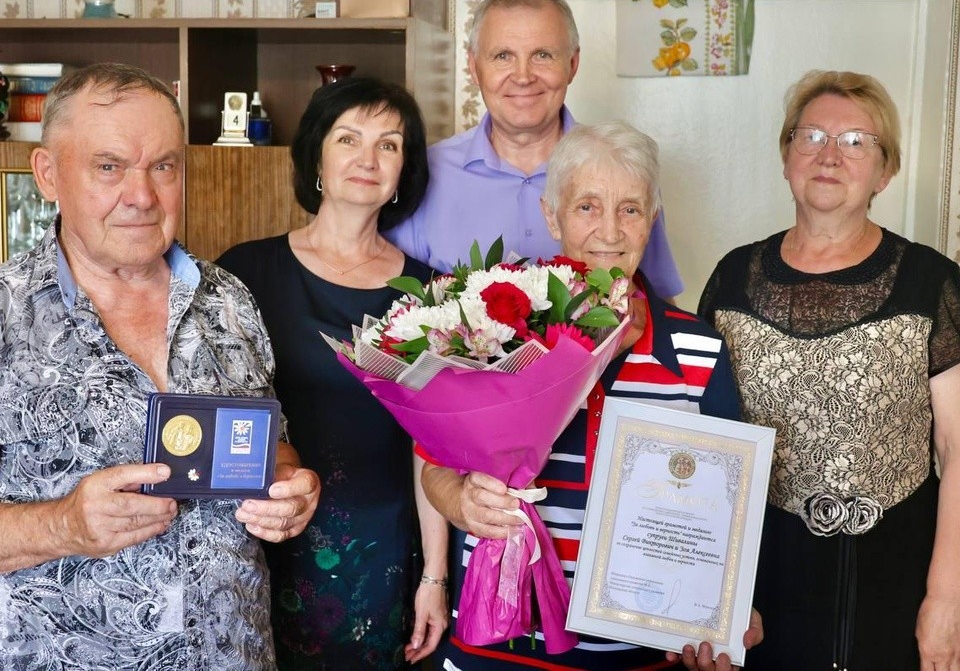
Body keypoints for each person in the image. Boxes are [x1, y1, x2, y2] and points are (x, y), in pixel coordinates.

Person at [0, 62, 321, 669]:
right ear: (47, 175)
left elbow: (270, 448)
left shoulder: (229, 299)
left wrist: (291, 489)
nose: (142, 196)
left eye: (163, 167)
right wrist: (61, 525)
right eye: (109, 167)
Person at [420, 121, 763, 671]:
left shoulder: (698, 351)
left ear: (651, 221)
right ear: (551, 216)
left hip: (638, 654)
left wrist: (728, 605)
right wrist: (459, 500)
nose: (610, 230)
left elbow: (731, 508)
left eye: (630, 209)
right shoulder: (491, 327)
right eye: (587, 207)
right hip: (498, 643)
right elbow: (433, 464)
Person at [698, 70, 960, 670]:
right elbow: (706, 442)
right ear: (787, 154)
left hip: (897, 569)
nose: (829, 154)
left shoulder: (931, 283)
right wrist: (710, 594)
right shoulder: (732, 279)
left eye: (856, 142)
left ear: (885, 171)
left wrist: (948, 598)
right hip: (762, 571)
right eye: (811, 134)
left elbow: (958, 443)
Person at [217, 77, 449, 670]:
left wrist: (436, 579)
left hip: (383, 550)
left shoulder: (430, 294)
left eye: (389, 145)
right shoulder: (243, 273)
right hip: (261, 539)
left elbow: (437, 447)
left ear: (404, 170)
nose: (368, 159)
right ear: (317, 154)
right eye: (349, 138)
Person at [387, 0, 684, 301]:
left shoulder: (623, 170)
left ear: (572, 64)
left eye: (543, 55)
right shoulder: (422, 172)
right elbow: (394, 309)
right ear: (474, 67)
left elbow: (655, 302)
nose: (523, 76)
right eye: (503, 56)